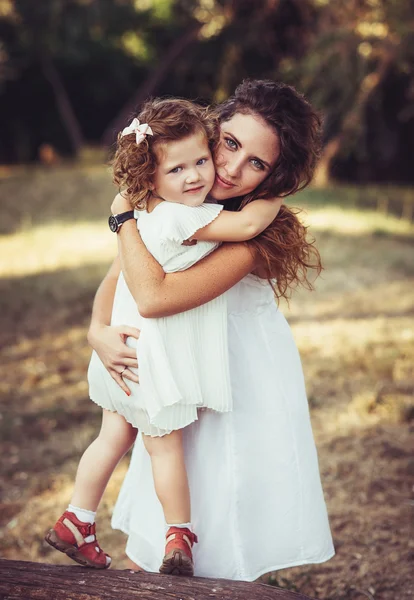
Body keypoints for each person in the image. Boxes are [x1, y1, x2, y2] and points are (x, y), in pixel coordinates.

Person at [91, 79, 335, 580]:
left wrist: (124, 220)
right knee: (171, 493)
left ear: (276, 177)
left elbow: (154, 297)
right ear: (211, 130)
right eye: (229, 143)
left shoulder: (255, 235)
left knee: (226, 508)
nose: (230, 168)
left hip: (238, 377)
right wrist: (97, 330)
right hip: (180, 367)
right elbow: (117, 280)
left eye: (257, 164)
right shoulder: (174, 201)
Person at [45, 97, 282, 574]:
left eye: (200, 161)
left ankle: (78, 517)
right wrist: (278, 193)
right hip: (155, 361)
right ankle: (179, 535)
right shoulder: (186, 217)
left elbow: (117, 277)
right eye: (179, 170)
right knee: (164, 448)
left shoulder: (146, 212)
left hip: (121, 352)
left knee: (110, 438)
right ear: (151, 178)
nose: (196, 177)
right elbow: (251, 223)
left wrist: (99, 329)